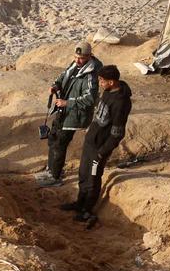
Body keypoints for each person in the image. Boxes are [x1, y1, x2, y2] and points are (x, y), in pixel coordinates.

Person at [58, 65, 132, 226]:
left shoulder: (121, 103)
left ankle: (87, 210)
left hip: (99, 148)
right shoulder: (108, 92)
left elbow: (117, 133)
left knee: (93, 178)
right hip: (91, 142)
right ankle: (80, 203)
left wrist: (103, 151)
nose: (100, 83)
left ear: (111, 82)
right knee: (83, 174)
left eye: (102, 81)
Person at [37, 41, 103, 187]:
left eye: (81, 58)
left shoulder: (91, 74)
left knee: (60, 142)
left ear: (89, 56)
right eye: (76, 57)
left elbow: (90, 98)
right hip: (63, 111)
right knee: (53, 138)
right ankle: (52, 169)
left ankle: (55, 177)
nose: (77, 61)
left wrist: (68, 102)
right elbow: (63, 76)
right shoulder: (75, 65)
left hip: (74, 115)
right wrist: (55, 85)